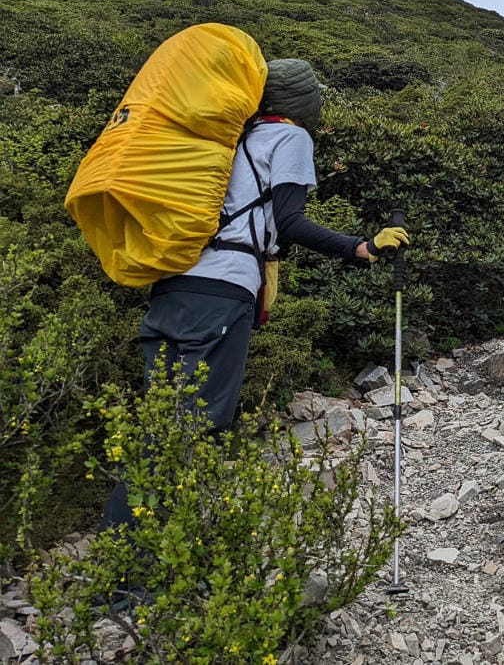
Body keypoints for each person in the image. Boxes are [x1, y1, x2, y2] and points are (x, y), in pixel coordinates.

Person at [100, 57, 408, 530]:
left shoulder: (225, 138)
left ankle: (119, 559)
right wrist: (360, 247)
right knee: (198, 425)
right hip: (222, 293)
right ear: (303, 103)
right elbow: (289, 220)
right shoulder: (290, 136)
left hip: (172, 287)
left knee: (159, 429)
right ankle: (147, 574)